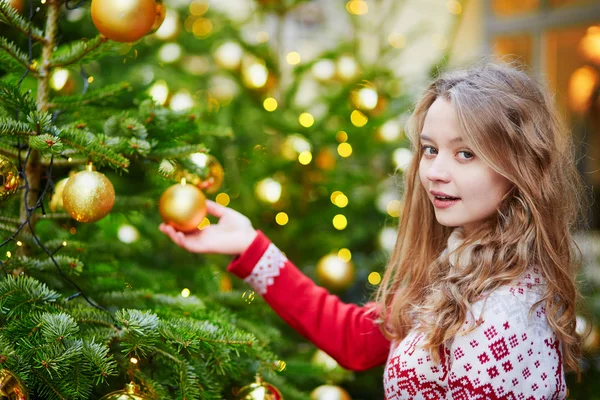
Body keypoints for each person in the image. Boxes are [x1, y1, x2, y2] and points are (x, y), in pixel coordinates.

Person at [160, 62, 585, 399]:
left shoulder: (505, 314)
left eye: (466, 153)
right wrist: (251, 247)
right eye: (430, 149)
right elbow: (358, 340)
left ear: (518, 168)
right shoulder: (459, 264)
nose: (434, 172)